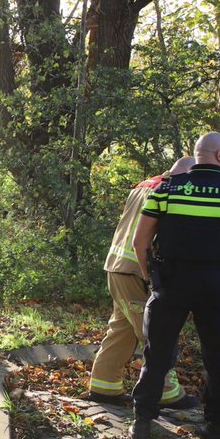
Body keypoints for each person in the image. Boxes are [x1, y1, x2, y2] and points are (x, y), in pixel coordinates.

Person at [130, 132, 220, 439]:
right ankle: (216, 427)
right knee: (217, 356)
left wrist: (151, 276)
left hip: (172, 281)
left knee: (157, 355)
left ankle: (142, 424)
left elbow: (140, 242)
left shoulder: (167, 189)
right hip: (214, 284)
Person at [88, 156, 200, 410]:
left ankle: (104, 385)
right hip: (136, 272)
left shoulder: (144, 186)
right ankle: (166, 392)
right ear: (185, 174)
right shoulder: (169, 192)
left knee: (122, 330)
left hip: (118, 267)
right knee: (155, 334)